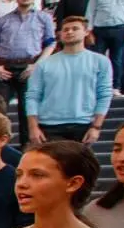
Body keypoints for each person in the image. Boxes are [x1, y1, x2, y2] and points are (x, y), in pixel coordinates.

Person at [26, 16, 114, 145]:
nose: (69, 32)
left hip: (83, 124)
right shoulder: (44, 64)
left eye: (75, 28)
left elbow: (104, 94)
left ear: (86, 32)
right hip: (49, 125)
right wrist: (33, 127)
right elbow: (33, 96)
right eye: (65, 29)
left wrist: (96, 126)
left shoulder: (100, 61)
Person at [0, 0, 56, 137]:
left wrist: (37, 65)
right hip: (4, 68)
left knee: (28, 110)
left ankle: (27, 145)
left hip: (30, 67)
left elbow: (50, 44)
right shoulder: (3, 20)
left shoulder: (44, 18)